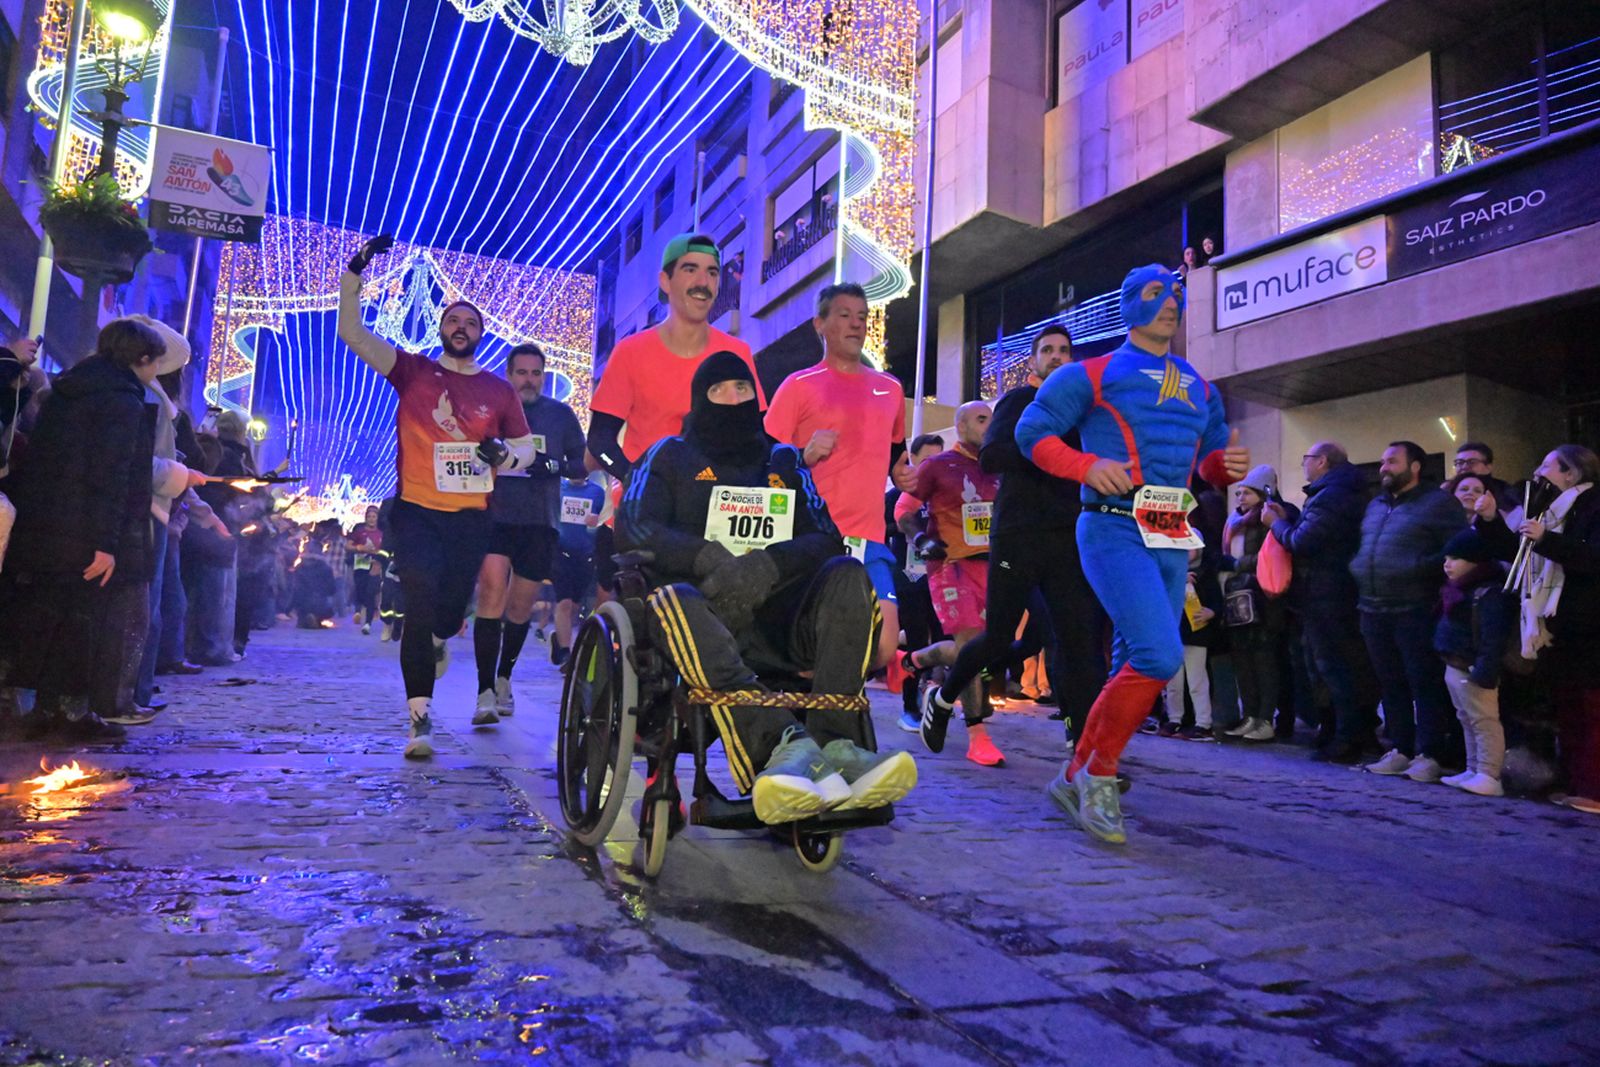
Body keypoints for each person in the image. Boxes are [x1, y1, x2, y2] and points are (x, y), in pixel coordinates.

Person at [615, 352, 916, 823]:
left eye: (742, 390)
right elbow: (633, 525)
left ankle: (838, 746)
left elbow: (824, 535)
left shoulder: (782, 458)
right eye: (719, 391)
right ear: (700, 399)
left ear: (758, 398)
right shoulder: (669, 454)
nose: (732, 400)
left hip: (777, 613)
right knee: (674, 599)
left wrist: (766, 566)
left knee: (848, 572)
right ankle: (781, 749)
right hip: (698, 612)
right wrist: (706, 556)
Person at [1015, 264, 1248, 844]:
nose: (1169, 302)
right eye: (1153, 293)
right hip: (1112, 527)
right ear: (1127, 304)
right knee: (1159, 654)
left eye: (1175, 293)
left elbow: (1210, 458)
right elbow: (1031, 432)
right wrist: (1086, 465)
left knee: (1137, 662)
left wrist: (1224, 468)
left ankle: (1078, 773)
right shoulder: (1090, 374)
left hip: (1170, 532)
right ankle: (1098, 773)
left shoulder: (1202, 387)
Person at [339, 233, 540, 758]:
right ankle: (419, 720)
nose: (461, 328)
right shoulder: (412, 370)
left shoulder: (498, 390)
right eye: (453, 319)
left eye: (471, 323)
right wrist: (357, 269)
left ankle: (440, 635)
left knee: (451, 611)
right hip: (416, 512)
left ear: (481, 334)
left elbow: (525, 452)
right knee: (421, 598)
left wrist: (504, 456)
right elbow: (351, 332)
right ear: (441, 327)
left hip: (471, 517)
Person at [916, 327, 1108, 756]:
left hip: (1068, 538)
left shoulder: (1085, 412)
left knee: (1076, 640)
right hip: (1017, 536)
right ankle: (944, 699)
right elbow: (992, 457)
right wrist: (1047, 446)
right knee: (998, 639)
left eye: (1063, 351)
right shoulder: (1021, 402)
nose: (1056, 357)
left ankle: (1084, 750)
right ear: (1035, 361)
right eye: (1047, 351)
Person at [0, 319, 170, 740]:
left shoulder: (67, 390)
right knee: (79, 620)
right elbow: (111, 476)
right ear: (142, 360)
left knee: (44, 613)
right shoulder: (121, 401)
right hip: (85, 529)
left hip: (45, 523)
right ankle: (70, 711)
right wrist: (106, 543)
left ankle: (42, 706)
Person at [764, 282, 909, 672]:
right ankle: (816, 717)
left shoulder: (890, 389)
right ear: (820, 324)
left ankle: (833, 706)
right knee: (814, 641)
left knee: (883, 645)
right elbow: (764, 464)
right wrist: (802, 455)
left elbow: (897, 449)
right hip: (814, 538)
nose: (856, 324)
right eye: (844, 315)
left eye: (862, 317)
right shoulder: (797, 386)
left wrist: (904, 472)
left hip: (870, 540)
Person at [1477, 445, 1600, 814]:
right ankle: (1578, 783)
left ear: (1571, 473)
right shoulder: (1550, 512)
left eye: (1547, 465)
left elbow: (1592, 558)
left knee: (1591, 708)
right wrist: (1488, 521)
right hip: (1557, 626)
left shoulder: (1593, 508)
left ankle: (1594, 788)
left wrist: (1548, 539)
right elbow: (1519, 555)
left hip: (1589, 626)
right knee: (1569, 708)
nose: (1538, 471)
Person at [587, 233, 761, 483]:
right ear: (665, 281)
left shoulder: (737, 352)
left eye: (712, 273)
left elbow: (757, 434)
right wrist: (637, 479)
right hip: (646, 514)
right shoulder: (631, 352)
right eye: (690, 270)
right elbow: (600, 441)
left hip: (716, 509)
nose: (703, 281)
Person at [473, 343, 587, 720]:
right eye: (521, 373)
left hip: (539, 521)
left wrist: (553, 465)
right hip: (494, 515)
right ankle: (484, 689)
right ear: (508, 374)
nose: (529, 380)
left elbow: (580, 463)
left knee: (520, 606)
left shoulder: (560, 415)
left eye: (536, 373)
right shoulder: (491, 409)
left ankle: (504, 677)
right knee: (491, 591)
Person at [1349, 441, 1467, 782]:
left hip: (1414, 607)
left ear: (1415, 466)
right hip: (1372, 607)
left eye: (1391, 461)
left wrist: (1417, 567)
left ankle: (1428, 754)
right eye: (1383, 461)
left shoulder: (1439, 504)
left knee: (1423, 682)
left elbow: (1455, 547)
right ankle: (1400, 748)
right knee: (1390, 682)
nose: (1384, 467)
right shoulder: (1376, 504)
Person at [903, 402, 1006, 767]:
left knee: (985, 649)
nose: (989, 426)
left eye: (992, 420)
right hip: (950, 566)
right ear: (960, 426)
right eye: (982, 419)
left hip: (993, 568)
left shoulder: (999, 468)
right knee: (970, 645)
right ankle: (977, 734)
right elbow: (904, 512)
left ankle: (919, 658)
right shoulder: (936, 465)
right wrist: (921, 542)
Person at [1263, 442, 1374, 763]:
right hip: (1329, 591)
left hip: (1327, 593)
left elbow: (1303, 541)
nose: (1304, 465)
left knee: (1334, 668)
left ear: (1322, 461)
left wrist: (1277, 525)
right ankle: (1337, 731)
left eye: (1306, 460)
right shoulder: (1338, 492)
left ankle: (1346, 737)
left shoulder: (1333, 495)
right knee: (1330, 667)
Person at [1433, 527, 1513, 797]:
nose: (1448, 564)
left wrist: (1485, 670)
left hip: (1473, 665)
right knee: (1466, 718)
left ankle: (1489, 773)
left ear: (1476, 561)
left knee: (1483, 720)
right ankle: (1473, 768)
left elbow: (1493, 637)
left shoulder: (1487, 593)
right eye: (1446, 558)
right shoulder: (1458, 589)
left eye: (1456, 558)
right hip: (1454, 661)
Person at [1221, 466, 1290, 743]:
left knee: (1264, 660)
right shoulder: (1234, 521)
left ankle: (1265, 718)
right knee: (1243, 660)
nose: (1240, 497)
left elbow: (1270, 556)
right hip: (1238, 597)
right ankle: (1249, 715)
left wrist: (1238, 564)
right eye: (1238, 492)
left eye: (1246, 492)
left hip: (1262, 597)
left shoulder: (1269, 517)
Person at [887, 433, 946, 731]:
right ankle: (909, 707)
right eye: (926, 460)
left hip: (943, 579)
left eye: (938, 458)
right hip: (909, 580)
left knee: (945, 641)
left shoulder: (947, 492)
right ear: (913, 459)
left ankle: (938, 700)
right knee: (916, 641)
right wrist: (910, 532)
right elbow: (883, 526)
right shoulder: (894, 496)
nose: (932, 465)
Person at [1164, 547, 1223, 739]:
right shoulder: (1171, 572)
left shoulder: (1205, 574)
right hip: (1174, 632)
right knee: (1174, 681)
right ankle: (1175, 718)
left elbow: (1217, 602)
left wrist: (1212, 612)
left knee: (1197, 680)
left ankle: (1203, 722)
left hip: (1196, 633)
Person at [553, 472, 606, 657]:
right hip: (560, 552)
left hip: (585, 555)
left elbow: (603, 520)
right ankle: (565, 651)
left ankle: (559, 638)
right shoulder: (558, 488)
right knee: (564, 603)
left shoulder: (597, 492)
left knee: (574, 607)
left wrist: (595, 521)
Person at [347, 506, 384, 634]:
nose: (372, 519)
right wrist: (360, 547)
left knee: (370, 593)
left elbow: (387, 549)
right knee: (360, 591)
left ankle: (367, 623)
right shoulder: (359, 532)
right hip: (360, 566)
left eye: (374, 517)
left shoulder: (381, 533)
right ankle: (358, 610)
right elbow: (348, 545)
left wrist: (378, 554)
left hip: (375, 566)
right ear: (366, 518)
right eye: (369, 517)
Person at [1453, 441, 1518, 510]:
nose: (1464, 467)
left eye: (1472, 462)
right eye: (1459, 462)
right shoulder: (1448, 489)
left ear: (1488, 467)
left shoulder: (1505, 494)